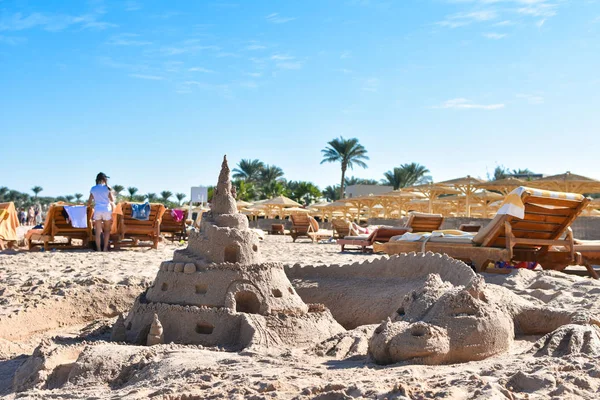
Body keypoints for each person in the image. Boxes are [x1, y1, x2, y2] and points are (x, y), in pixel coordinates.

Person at [87, 172, 114, 251]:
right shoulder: (107, 188)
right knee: (107, 231)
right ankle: (105, 248)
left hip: (98, 209)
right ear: (105, 179)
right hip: (106, 209)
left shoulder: (93, 188)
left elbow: (89, 202)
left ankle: (98, 249)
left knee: (98, 231)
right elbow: (112, 199)